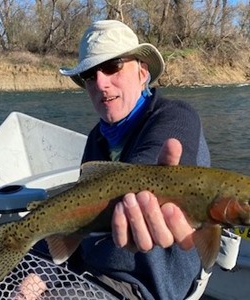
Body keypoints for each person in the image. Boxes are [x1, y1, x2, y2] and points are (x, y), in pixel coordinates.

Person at [59, 20, 211, 299]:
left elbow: (148, 167)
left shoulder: (176, 117)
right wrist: (40, 273)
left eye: (113, 66)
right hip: (89, 266)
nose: (101, 82)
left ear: (143, 73)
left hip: (144, 282)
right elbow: (77, 208)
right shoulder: (97, 139)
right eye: (90, 75)